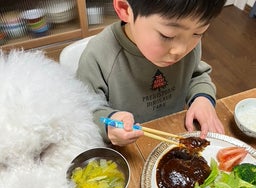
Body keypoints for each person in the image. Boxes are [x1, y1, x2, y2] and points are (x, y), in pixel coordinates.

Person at [77, 0, 225, 146]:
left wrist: (202, 98)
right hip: (129, 148)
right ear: (125, 9)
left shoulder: (188, 43)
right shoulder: (98, 55)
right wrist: (109, 124)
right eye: (168, 35)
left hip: (174, 133)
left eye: (199, 33)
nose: (181, 49)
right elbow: (84, 111)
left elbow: (197, 75)